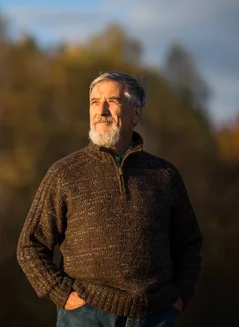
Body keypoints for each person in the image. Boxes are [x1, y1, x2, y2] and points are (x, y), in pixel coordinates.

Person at [16, 71, 203, 327]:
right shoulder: (65, 173)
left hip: (155, 315)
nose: (101, 110)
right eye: (95, 102)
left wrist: (181, 296)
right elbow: (30, 245)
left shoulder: (164, 175)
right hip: (85, 315)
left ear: (136, 114)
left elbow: (190, 243)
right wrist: (63, 295)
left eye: (112, 101)